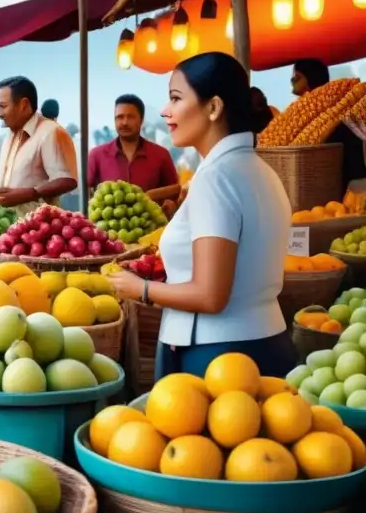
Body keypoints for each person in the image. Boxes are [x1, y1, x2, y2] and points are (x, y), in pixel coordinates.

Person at [107, 52, 295, 379]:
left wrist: (141, 289)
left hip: (218, 358)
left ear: (213, 107)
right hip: (267, 344)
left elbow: (210, 295)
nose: (165, 111)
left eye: (176, 98)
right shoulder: (261, 172)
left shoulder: (216, 177)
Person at [0, 76, 78, 217]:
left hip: (37, 229)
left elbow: (67, 180)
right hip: (9, 226)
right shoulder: (11, 135)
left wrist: (30, 193)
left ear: (24, 104)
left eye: (3, 106)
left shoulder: (50, 132)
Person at [292, 59, 366, 189]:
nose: (292, 80)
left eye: (297, 77)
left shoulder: (336, 113)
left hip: (334, 181)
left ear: (310, 79)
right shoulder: (298, 109)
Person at [88, 94, 179, 194]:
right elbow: (86, 192)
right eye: (119, 117)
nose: (124, 122)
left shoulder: (161, 155)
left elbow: (175, 191)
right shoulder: (97, 155)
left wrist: (150, 197)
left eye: (130, 117)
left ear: (141, 120)